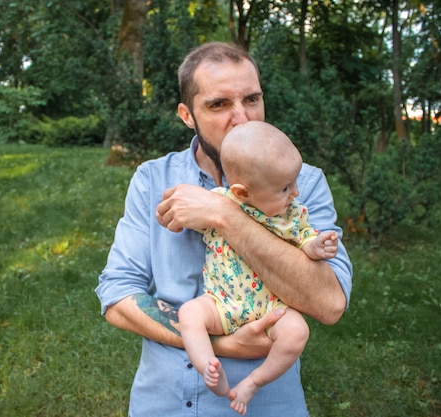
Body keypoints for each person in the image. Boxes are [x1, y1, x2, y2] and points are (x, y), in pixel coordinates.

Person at [96, 42, 352, 416]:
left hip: (263, 406)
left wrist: (225, 215)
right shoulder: (153, 179)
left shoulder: (302, 184)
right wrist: (224, 344)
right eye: (219, 105)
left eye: (252, 99)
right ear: (187, 115)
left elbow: (329, 304)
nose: (243, 118)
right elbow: (117, 297)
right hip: (160, 404)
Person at [179, 120, 339, 415]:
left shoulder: (291, 213)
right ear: (241, 193)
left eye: (294, 182)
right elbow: (187, 215)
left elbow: (304, 237)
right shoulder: (217, 201)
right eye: (284, 188)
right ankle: (209, 367)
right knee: (190, 313)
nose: (295, 193)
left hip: (272, 309)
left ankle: (255, 380)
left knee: (297, 332)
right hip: (222, 303)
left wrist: (316, 246)